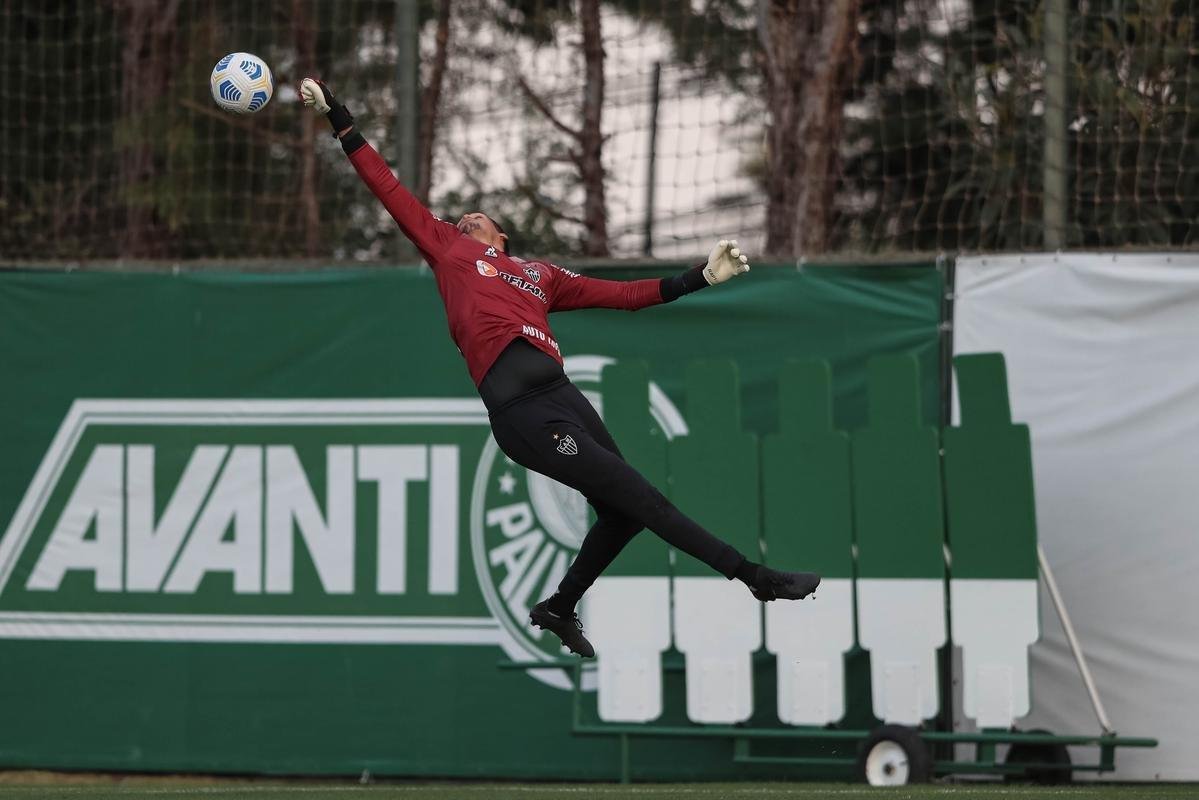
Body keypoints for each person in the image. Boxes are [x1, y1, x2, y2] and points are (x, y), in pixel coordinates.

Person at [300, 78, 820, 658]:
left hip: (563, 397)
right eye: (461, 217)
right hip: (524, 414)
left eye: (478, 217)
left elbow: (624, 295)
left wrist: (698, 277)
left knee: (623, 516)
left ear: (503, 235)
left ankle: (558, 607)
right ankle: (755, 577)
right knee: (644, 498)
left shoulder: (540, 275)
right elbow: (389, 189)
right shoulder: (448, 249)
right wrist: (341, 121)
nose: (466, 219)